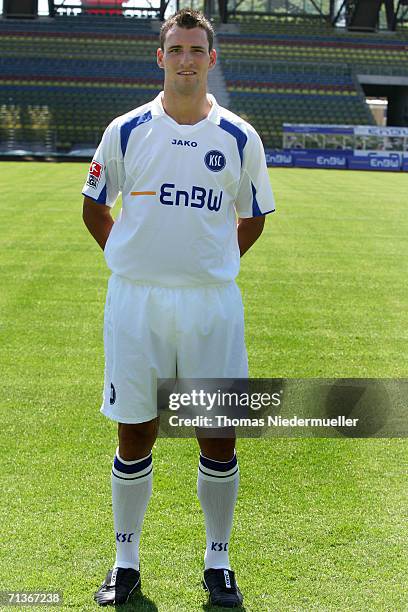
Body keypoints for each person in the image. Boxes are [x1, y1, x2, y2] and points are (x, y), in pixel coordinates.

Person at [82, 8, 275, 608]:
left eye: (197, 50)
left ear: (211, 59)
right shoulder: (125, 130)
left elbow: (255, 216)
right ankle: (125, 560)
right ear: (159, 57)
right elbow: (93, 206)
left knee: (216, 433)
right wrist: (137, 261)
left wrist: (207, 264)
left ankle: (218, 562)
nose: (186, 60)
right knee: (136, 428)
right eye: (177, 50)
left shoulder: (240, 136)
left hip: (211, 305)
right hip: (135, 303)